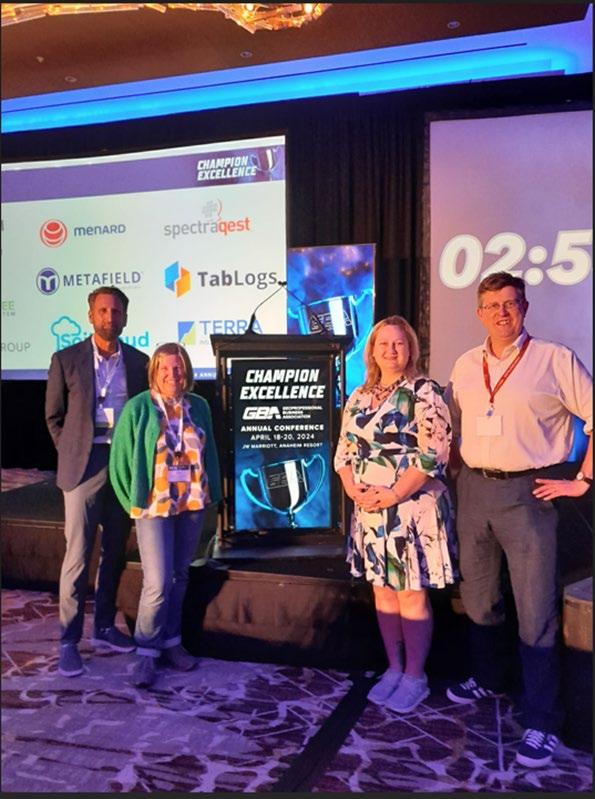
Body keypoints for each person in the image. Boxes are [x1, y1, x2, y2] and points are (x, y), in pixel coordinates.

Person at [445, 271, 592, 768]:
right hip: (474, 490)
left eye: (510, 304)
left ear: (524, 308)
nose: (501, 313)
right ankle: (490, 678)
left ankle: (542, 719)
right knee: (479, 597)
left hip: (529, 493)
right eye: (492, 306)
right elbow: (453, 426)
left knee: (535, 610)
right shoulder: (466, 364)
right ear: (479, 314)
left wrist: (583, 480)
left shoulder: (554, 359)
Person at [334, 315, 457, 713]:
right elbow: (344, 453)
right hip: (371, 512)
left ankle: (415, 676)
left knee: (410, 592)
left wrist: (393, 494)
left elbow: (433, 454)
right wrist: (353, 489)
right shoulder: (358, 395)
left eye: (398, 344)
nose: (390, 350)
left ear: (410, 350)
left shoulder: (425, 392)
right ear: (371, 351)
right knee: (382, 591)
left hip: (410, 510)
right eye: (383, 344)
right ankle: (394, 667)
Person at [45, 286, 150, 677]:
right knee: (78, 553)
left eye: (116, 311)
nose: (110, 317)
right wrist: (73, 450)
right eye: (103, 311)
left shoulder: (139, 362)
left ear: (125, 317)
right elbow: (54, 416)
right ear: (91, 316)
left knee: (115, 551)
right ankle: (68, 641)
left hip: (123, 465)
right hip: (83, 466)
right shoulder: (66, 359)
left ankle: (104, 626)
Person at [109, 343, 222, 688]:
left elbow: (210, 452)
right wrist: (131, 500)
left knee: (180, 576)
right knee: (157, 582)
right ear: (154, 373)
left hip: (191, 504)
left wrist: (214, 492)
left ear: (186, 371)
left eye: (178, 368)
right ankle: (146, 652)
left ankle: (172, 642)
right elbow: (120, 460)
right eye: (165, 369)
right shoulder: (138, 408)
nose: (172, 375)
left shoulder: (199, 406)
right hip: (153, 507)